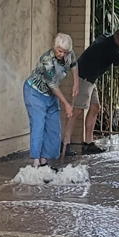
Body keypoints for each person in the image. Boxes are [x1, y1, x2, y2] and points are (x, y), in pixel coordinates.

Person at [63, 27, 119, 155]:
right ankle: (65, 144)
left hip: (91, 79)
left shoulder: (107, 36)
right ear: (115, 37)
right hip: (84, 77)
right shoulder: (111, 49)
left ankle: (89, 144)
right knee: (77, 111)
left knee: (95, 107)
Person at [23, 32, 79, 167]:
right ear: (55, 47)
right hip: (35, 92)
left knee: (53, 127)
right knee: (39, 124)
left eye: (65, 52)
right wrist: (66, 104)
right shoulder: (47, 59)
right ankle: (36, 161)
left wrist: (76, 83)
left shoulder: (69, 54)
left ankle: (44, 160)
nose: (62, 55)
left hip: (50, 95)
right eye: (60, 51)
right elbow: (53, 85)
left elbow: (74, 65)